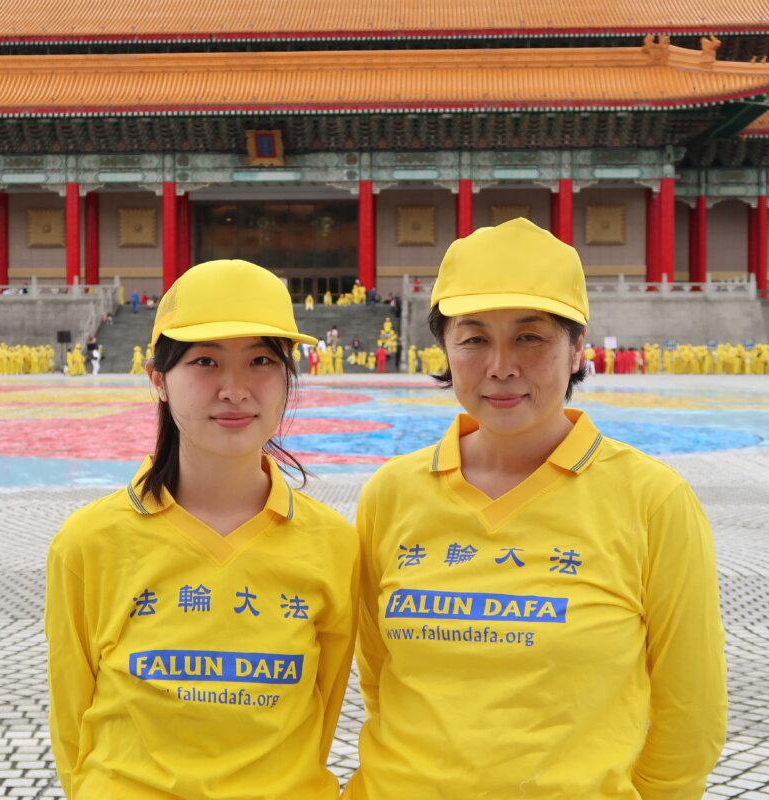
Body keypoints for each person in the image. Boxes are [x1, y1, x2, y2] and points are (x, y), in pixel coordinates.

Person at [346, 219, 727, 799]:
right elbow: (381, 675)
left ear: (577, 350)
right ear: (444, 348)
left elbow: (690, 708)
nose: (501, 366)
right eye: (474, 338)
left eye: (531, 337)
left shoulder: (652, 500)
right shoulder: (392, 494)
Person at [46, 259, 358, 799]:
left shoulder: (334, 545)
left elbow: (322, 709)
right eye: (205, 362)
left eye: (261, 360)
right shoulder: (90, 542)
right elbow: (73, 726)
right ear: (159, 380)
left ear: (288, 377)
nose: (235, 389)